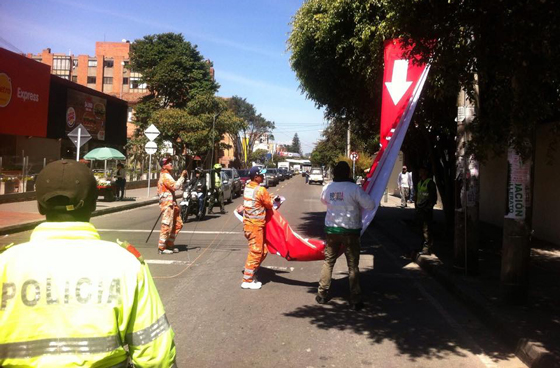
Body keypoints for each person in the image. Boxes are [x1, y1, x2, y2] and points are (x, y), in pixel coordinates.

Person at [0, 159, 176, 367]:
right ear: (94, 204)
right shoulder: (125, 265)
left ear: (39, 205)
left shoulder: (5, 264)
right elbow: (156, 356)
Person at [318, 161, 376, 310]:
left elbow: (324, 201)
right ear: (348, 173)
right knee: (353, 265)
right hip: (351, 231)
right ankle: (355, 299)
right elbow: (370, 205)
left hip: (332, 230)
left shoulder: (327, 188)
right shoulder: (354, 189)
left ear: (334, 173)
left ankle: (322, 294)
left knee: (328, 261)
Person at [241, 166, 274, 290]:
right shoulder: (261, 190)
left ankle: (251, 271)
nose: (264, 177)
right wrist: (270, 198)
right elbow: (269, 204)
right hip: (255, 226)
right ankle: (247, 280)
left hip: (249, 225)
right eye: (262, 175)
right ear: (256, 177)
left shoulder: (248, 187)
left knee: (263, 251)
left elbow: (257, 201)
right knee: (256, 252)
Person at [157, 157, 188, 254]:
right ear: (163, 166)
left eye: (170, 162)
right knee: (166, 224)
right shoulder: (165, 175)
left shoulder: (168, 175)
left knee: (178, 224)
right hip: (167, 204)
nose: (171, 164)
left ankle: (169, 244)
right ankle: (161, 248)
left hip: (172, 204)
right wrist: (182, 176)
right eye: (168, 163)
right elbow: (175, 187)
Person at [414, 166, 438, 254]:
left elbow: (433, 197)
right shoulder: (420, 183)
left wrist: (429, 207)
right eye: (419, 170)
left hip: (426, 210)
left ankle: (427, 248)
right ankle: (422, 246)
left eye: (422, 171)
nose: (420, 172)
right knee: (420, 228)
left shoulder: (430, 183)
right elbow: (417, 195)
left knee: (426, 229)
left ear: (426, 172)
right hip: (420, 209)